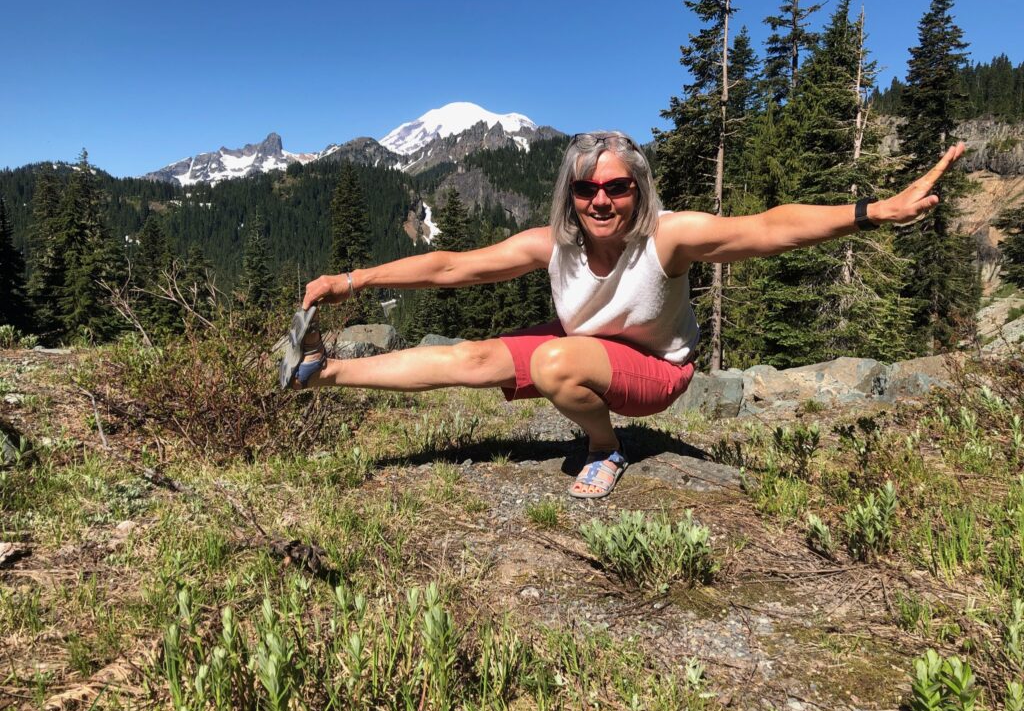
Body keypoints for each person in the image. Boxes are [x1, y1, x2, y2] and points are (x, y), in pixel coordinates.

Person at [280, 131, 964, 498]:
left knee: (551, 361)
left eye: (617, 186)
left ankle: (607, 448)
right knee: (474, 358)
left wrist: (875, 212)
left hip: (657, 373)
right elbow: (451, 265)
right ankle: (324, 371)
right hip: (588, 345)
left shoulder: (671, 236)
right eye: (587, 188)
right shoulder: (553, 244)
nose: (601, 199)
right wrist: (354, 279)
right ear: (570, 194)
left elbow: (770, 227)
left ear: (638, 190)